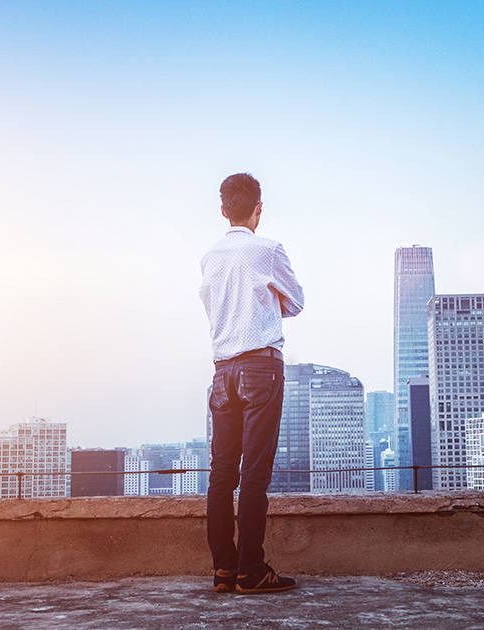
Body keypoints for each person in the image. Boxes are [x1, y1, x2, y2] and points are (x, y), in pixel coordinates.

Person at [199, 173, 304, 594]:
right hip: (260, 367)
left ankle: (224, 570)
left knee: (221, 475)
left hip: (222, 372)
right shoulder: (269, 249)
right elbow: (296, 302)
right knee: (255, 475)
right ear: (258, 208)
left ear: (223, 210)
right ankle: (252, 571)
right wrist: (267, 300)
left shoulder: (210, 257)